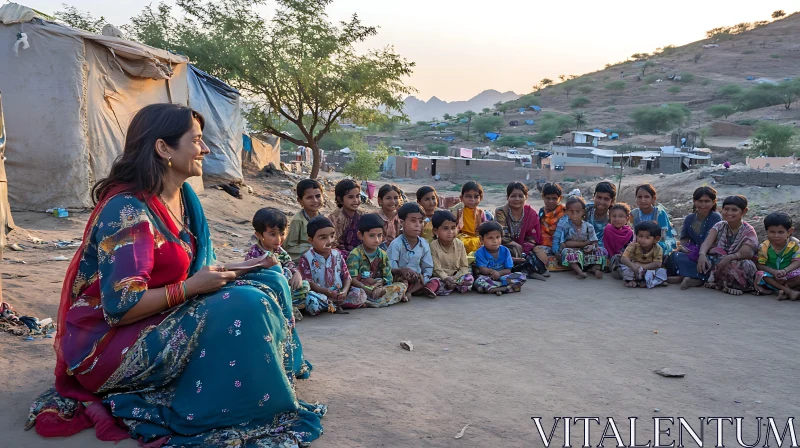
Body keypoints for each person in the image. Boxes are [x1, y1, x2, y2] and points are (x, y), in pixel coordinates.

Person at [27, 104, 325, 446]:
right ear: (163, 148)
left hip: (163, 312)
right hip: (110, 343)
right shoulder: (127, 211)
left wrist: (248, 266)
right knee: (247, 305)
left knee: (269, 280)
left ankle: (275, 373)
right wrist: (191, 288)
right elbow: (120, 308)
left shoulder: (183, 198)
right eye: (197, 140)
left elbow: (197, 268)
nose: (206, 148)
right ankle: (248, 398)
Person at [246, 207, 330, 318]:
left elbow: (290, 264)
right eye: (272, 234)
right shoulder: (254, 254)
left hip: (286, 290)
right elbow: (251, 277)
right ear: (259, 235)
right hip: (267, 290)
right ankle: (289, 307)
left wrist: (297, 274)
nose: (279, 239)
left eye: (282, 233)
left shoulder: (279, 251)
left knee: (304, 285)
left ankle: (294, 304)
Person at [298, 216, 367, 309]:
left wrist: (344, 291)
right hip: (320, 295)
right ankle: (329, 305)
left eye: (332, 236)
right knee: (312, 301)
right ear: (311, 241)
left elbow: (347, 277)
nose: (329, 241)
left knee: (359, 294)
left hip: (339, 293)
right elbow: (309, 283)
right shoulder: (306, 258)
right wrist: (327, 292)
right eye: (323, 238)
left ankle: (336, 304)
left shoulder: (337, 254)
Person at [696, 195, 759, 296]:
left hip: (737, 260)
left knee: (744, 264)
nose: (729, 213)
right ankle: (720, 284)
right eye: (726, 209)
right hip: (720, 259)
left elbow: (748, 252)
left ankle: (735, 286)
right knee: (704, 259)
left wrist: (730, 257)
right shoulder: (719, 225)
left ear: (743, 211)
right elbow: (707, 242)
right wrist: (702, 254)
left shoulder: (748, 230)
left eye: (734, 210)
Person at [665, 186, 722, 289]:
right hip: (692, 253)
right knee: (674, 255)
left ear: (714, 202)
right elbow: (684, 239)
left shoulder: (715, 217)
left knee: (709, 262)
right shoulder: (689, 218)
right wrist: (685, 248)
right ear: (694, 201)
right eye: (700, 201)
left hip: (709, 253)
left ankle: (694, 279)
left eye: (707, 201)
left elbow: (712, 240)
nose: (703, 204)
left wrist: (702, 254)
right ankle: (686, 277)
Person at [346, 213, 408, 307]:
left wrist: (380, 282)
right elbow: (351, 279)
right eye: (371, 236)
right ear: (360, 235)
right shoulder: (355, 255)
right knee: (356, 294)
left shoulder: (382, 254)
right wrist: (368, 289)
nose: (376, 240)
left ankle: (372, 302)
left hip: (379, 288)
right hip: (362, 288)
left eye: (379, 235)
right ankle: (379, 300)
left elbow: (388, 276)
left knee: (402, 285)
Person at [387, 203, 437, 300]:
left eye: (421, 221)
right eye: (413, 221)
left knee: (435, 281)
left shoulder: (424, 244)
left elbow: (428, 267)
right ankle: (408, 292)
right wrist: (402, 270)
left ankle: (410, 292)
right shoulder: (396, 244)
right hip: (401, 278)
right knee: (400, 283)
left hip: (417, 280)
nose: (418, 225)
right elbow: (390, 267)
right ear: (402, 222)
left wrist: (423, 277)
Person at [494, 182, 549, 269]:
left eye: (520, 196)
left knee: (540, 254)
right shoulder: (501, 211)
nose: (517, 199)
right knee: (504, 251)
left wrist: (524, 249)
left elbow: (532, 238)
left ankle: (520, 264)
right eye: (513, 196)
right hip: (505, 245)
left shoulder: (531, 214)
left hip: (525, 247)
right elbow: (501, 234)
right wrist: (515, 245)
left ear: (526, 197)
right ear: (507, 197)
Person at [553, 196, 608, 279]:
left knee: (600, 250)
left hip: (585, 251)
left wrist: (591, 246)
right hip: (573, 251)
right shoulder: (566, 227)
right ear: (567, 212)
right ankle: (579, 271)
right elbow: (565, 244)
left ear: (583, 212)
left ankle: (595, 268)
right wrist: (584, 243)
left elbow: (594, 241)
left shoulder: (588, 226)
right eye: (571, 211)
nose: (574, 214)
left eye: (577, 211)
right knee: (567, 252)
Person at [754, 212, 800, 300]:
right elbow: (760, 264)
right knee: (760, 274)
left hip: (790, 275)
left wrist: (785, 271)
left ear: (789, 231)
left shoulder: (795, 245)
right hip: (772, 276)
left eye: (781, 232)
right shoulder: (764, 247)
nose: (776, 236)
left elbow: (797, 261)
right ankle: (788, 291)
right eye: (772, 232)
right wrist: (773, 272)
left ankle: (785, 289)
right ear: (767, 231)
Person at [473, 221, 527, 295]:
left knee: (521, 276)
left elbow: (508, 269)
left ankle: (495, 289)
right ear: (482, 239)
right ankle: (506, 288)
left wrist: (499, 273)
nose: (495, 241)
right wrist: (492, 272)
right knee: (479, 281)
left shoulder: (505, 250)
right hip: (489, 277)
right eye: (490, 238)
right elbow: (482, 269)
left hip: (503, 277)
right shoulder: (479, 252)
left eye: (498, 237)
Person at [429, 210, 474, 295]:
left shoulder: (459, 244)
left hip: (457, 276)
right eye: (445, 228)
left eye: (453, 228)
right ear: (435, 231)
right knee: (434, 282)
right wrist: (445, 278)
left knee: (469, 279)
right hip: (441, 277)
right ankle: (448, 287)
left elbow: (464, 266)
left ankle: (451, 287)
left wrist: (455, 278)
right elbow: (436, 269)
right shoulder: (433, 246)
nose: (451, 232)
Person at [630, 184, 677, 254]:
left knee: (660, 248)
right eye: (639, 197)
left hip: (660, 241)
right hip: (641, 242)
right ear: (636, 199)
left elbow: (663, 236)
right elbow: (632, 232)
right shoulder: (634, 214)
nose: (643, 200)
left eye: (646, 197)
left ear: (653, 199)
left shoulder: (659, 213)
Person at [620, 221, 668, 288]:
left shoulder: (658, 248)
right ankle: (636, 281)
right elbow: (623, 258)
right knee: (627, 270)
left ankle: (650, 282)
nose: (642, 240)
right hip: (635, 268)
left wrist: (642, 267)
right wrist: (633, 266)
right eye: (640, 236)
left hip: (649, 269)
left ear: (656, 239)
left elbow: (657, 263)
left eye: (647, 237)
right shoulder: (633, 245)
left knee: (661, 271)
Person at [285, 179, 324, 261]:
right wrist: (312, 248)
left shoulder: (323, 219)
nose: (315, 200)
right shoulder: (298, 220)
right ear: (300, 201)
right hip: (304, 259)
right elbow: (289, 248)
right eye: (309, 197)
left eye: (318, 196)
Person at [451, 181, 489, 254]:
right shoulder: (458, 211)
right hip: (463, 237)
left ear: (480, 198)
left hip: (477, 237)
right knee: (463, 242)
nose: (472, 199)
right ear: (461, 198)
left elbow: (485, 228)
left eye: (476, 196)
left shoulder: (481, 212)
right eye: (468, 196)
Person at [328, 179, 362, 259]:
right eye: (351, 197)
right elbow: (332, 243)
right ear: (340, 200)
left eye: (358, 196)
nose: (356, 200)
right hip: (340, 256)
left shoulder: (363, 216)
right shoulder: (334, 218)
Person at [603, 203, 634, 278]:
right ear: (610, 217)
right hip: (610, 257)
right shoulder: (608, 229)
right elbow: (606, 246)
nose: (617, 219)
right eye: (614, 216)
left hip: (624, 257)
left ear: (627, 218)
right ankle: (621, 272)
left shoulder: (629, 232)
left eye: (620, 216)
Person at [584, 181, 616, 248]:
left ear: (612, 201)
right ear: (594, 196)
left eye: (606, 199)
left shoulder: (615, 216)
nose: (601, 202)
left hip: (603, 250)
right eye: (599, 197)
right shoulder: (586, 210)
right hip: (583, 245)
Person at [377, 184, 403, 250]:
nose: (393, 201)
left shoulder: (401, 217)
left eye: (396, 198)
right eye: (388, 198)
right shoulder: (374, 218)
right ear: (380, 200)